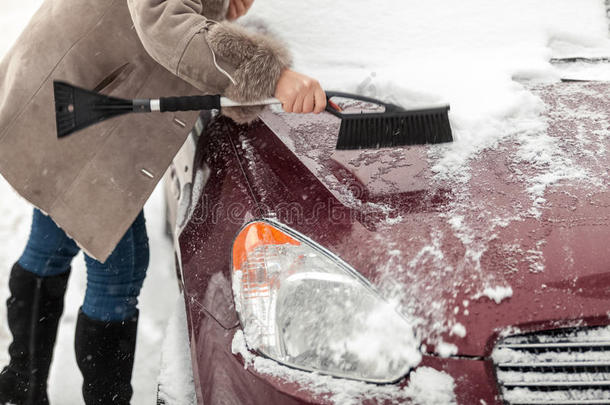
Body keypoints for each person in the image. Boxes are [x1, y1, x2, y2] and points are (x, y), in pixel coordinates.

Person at [0, 0, 326, 403]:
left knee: (52, 239)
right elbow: (162, 20)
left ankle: (19, 387)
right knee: (119, 268)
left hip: (77, 86)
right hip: (83, 96)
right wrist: (270, 74)